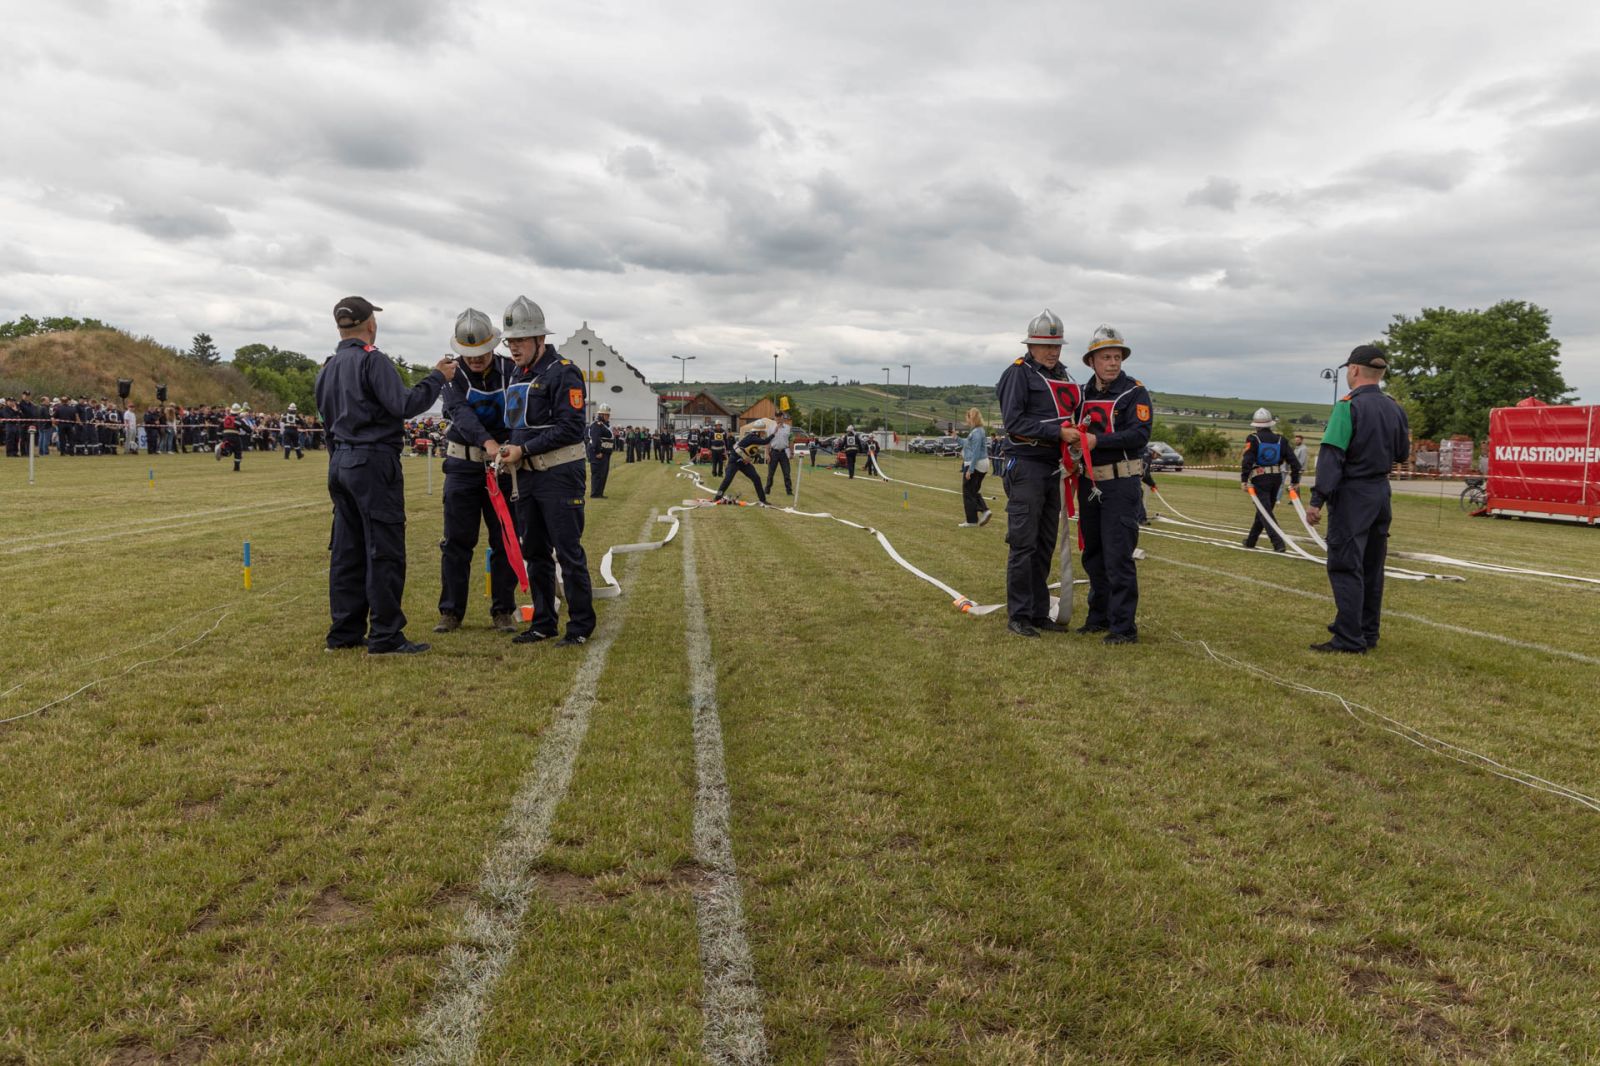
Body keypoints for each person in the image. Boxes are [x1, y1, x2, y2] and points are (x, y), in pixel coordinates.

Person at [314, 295, 454, 654]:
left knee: (347, 551)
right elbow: (403, 404)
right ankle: (386, 633)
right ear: (371, 325)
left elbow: (326, 422)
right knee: (383, 548)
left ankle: (344, 631)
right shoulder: (372, 360)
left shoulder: (328, 367)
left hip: (340, 460)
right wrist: (437, 378)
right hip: (372, 461)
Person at [498, 295, 595, 648]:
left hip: (558, 475)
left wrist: (523, 450)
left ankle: (580, 625)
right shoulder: (517, 373)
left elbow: (570, 428)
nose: (514, 347)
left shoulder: (564, 371)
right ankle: (543, 622)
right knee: (535, 553)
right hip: (526, 476)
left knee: (568, 553)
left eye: (521, 340)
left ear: (540, 338)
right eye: (510, 341)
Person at [1304, 345, 1410, 654]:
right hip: (1380, 493)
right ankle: (1367, 631)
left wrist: (1317, 500)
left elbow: (1332, 456)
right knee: (1372, 567)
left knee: (1345, 564)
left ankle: (1349, 638)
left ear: (1353, 370)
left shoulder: (1347, 406)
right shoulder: (1395, 408)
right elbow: (1402, 454)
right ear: (1381, 373)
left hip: (1353, 495)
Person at [434, 308, 523, 635]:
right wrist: (487, 442)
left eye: (481, 353)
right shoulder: (450, 375)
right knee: (456, 542)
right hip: (463, 466)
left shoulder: (512, 371)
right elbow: (460, 412)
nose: (475, 359)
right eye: (468, 353)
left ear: (493, 346)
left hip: (503, 467)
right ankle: (451, 611)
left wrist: (509, 448)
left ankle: (503, 610)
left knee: (505, 539)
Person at [1066, 324, 1152, 645]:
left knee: (1118, 555)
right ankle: (1098, 617)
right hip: (1089, 484)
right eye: (1106, 357)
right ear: (1092, 361)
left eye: (1117, 357)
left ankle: (1123, 627)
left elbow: (1139, 435)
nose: (1113, 363)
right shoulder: (1081, 395)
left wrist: (1096, 441)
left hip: (1120, 483)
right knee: (1093, 554)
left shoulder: (1135, 392)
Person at [997, 309, 1079, 638]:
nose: (1053, 351)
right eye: (1046, 345)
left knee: (1045, 543)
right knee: (1024, 543)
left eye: (1056, 346)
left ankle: (1038, 611)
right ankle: (1019, 615)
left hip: (1053, 466)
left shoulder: (1065, 376)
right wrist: (1058, 432)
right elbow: (1014, 422)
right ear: (1031, 345)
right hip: (1026, 464)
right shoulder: (1018, 374)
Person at [1239, 408, 1301, 552]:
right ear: (1270, 424)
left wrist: (1244, 479)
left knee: (1265, 511)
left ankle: (1278, 543)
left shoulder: (1253, 439)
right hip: (1276, 478)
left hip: (1260, 478)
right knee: (1264, 510)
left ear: (1256, 425)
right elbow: (1294, 463)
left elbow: (1247, 460)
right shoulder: (1281, 440)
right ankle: (1251, 541)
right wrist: (1295, 480)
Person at [712, 419, 771, 504]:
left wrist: (748, 459)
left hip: (743, 462)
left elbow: (751, 451)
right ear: (758, 431)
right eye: (762, 432)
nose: (763, 433)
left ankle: (762, 500)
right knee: (728, 479)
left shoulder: (755, 438)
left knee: (756, 478)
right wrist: (774, 433)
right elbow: (765, 441)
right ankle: (717, 497)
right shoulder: (752, 437)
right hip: (735, 461)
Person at [957, 407, 992, 528]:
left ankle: (974, 518)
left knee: (968, 491)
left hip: (976, 463)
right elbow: (967, 443)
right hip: (982, 463)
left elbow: (976, 452)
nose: (966, 421)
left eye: (967, 418)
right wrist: (956, 437)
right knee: (973, 490)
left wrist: (970, 470)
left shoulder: (977, 432)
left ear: (971, 418)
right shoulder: (978, 431)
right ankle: (984, 510)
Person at [586, 404, 616, 498]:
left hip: (605, 453)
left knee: (603, 474)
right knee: (597, 474)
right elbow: (595, 439)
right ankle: (595, 493)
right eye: (607, 415)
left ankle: (599, 493)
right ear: (602, 415)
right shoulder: (597, 425)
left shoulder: (604, 425)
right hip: (598, 453)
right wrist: (597, 452)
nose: (608, 416)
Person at [764, 411, 795, 497]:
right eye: (776, 416)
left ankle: (789, 491)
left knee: (787, 473)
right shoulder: (770, 428)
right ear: (775, 417)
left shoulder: (788, 428)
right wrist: (767, 454)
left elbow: (791, 441)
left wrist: (792, 452)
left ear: (782, 417)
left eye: (780, 416)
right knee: (770, 473)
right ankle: (767, 490)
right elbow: (767, 442)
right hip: (773, 452)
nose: (778, 418)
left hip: (784, 453)